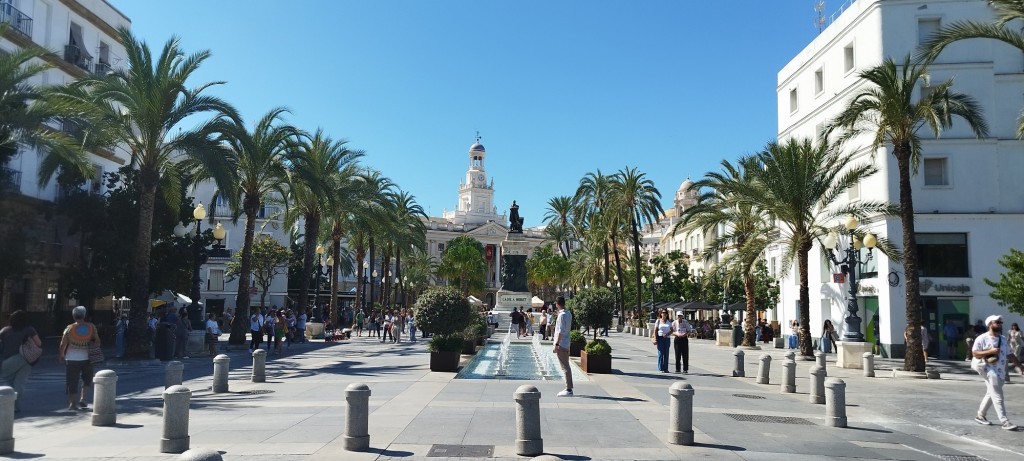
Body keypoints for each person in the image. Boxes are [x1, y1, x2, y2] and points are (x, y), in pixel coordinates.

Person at [972, 315, 1023, 430]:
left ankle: (980, 415)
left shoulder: (1003, 339)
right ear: (990, 324)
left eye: (1000, 322)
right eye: (997, 322)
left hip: (1001, 370)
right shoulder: (981, 338)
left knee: (991, 393)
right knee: (998, 395)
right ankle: (1005, 421)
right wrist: (990, 351)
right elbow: (975, 353)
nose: (1000, 324)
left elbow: (1010, 354)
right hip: (988, 369)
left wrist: (1020, 366)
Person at [59, 306, 100, 411]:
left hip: (71, 358)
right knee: (87, 379)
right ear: (84, 315)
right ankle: (83, 399)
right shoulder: (91, 327)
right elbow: (97, 342)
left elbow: (63, 344)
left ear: (73, 316)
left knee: (72, 381)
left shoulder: (69, 328)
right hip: (88, 358)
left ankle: (73, 404)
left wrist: (61, 355)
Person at [0, 310, 41, 413]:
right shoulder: (29, 330)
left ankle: (6, 404)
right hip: (26, 359)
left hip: (9, 359)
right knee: (20, 383)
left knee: (6, 380)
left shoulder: (5, 331)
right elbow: (39, 343)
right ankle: (16, 407)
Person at [552, 296, 573, 397]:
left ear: (557, 304)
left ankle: (568, 389)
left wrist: (556, 344)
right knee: (566, 365)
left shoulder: (561, 316)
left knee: (565, 367)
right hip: (566, 343)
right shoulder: (568, 314)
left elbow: (560, 331)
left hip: (561, 343)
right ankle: (568, 388)